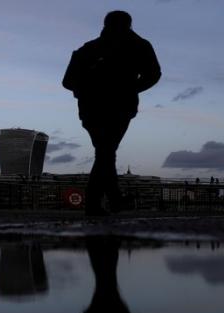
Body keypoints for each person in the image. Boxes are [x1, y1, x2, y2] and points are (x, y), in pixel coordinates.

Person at [63, 11, 161, 216]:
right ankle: (107, 200)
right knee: (106, 152)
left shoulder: (88, 49)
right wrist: (132, 88)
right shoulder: (139, 46)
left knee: (104, 151)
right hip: (121, 106)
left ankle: (104, 201)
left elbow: (68, 81)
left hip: (91, 108)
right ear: (129, 24)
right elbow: (153, 74)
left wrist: (85, 89)